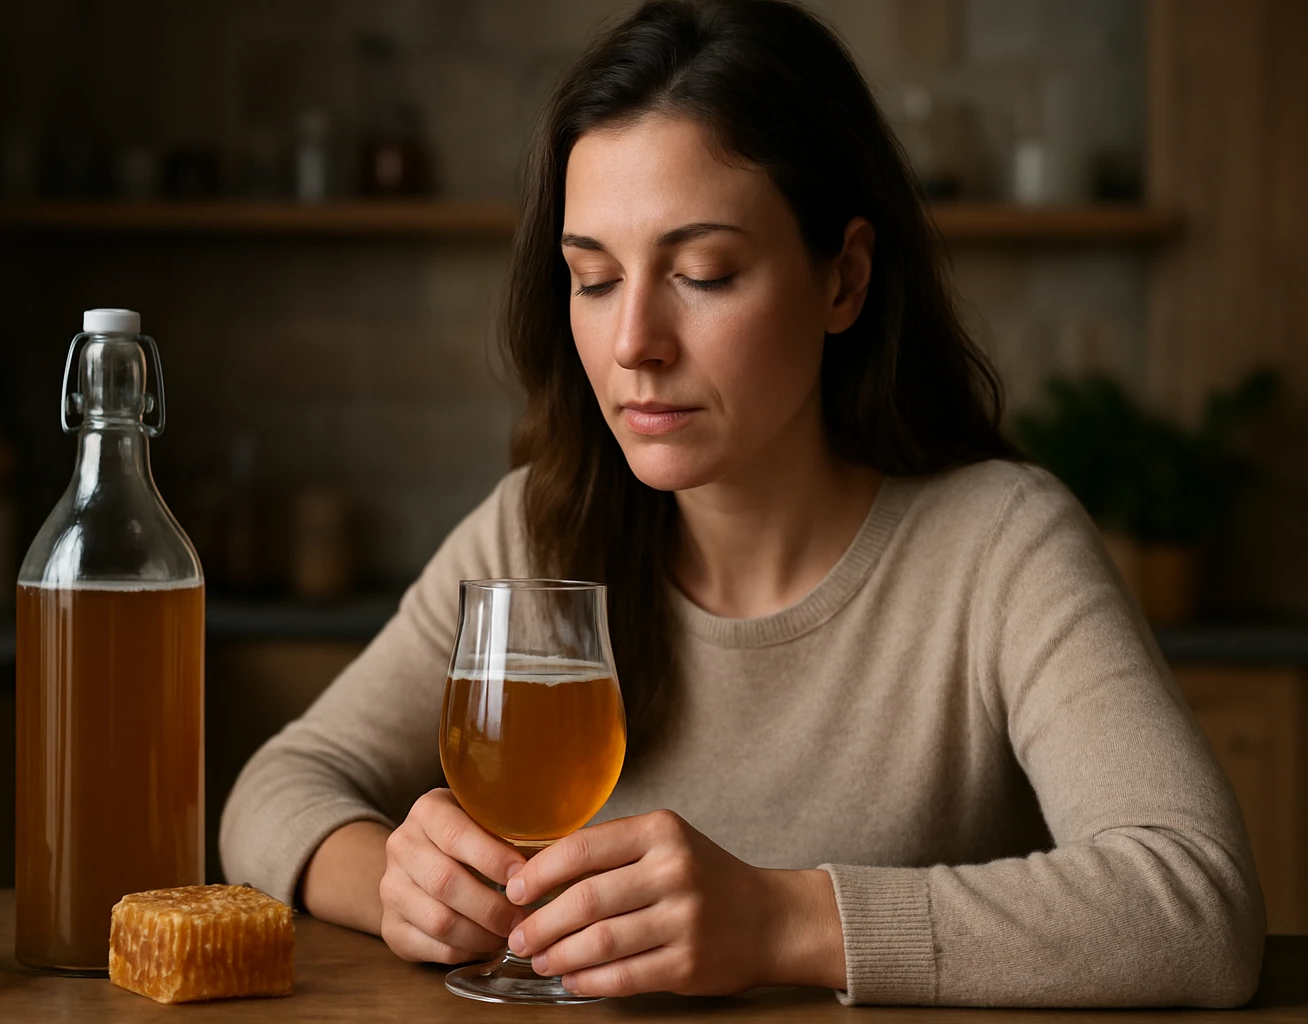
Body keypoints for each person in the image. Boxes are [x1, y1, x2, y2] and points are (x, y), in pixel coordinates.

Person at [220, 0, 1264, 1007]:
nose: (634, 343)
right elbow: (276, 789)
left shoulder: (999, 545)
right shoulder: (537, 527)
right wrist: (394, 881)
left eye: (705, 272)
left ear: (845, 279)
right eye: (592, 278)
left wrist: (783, 923)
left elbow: (1197, 905)